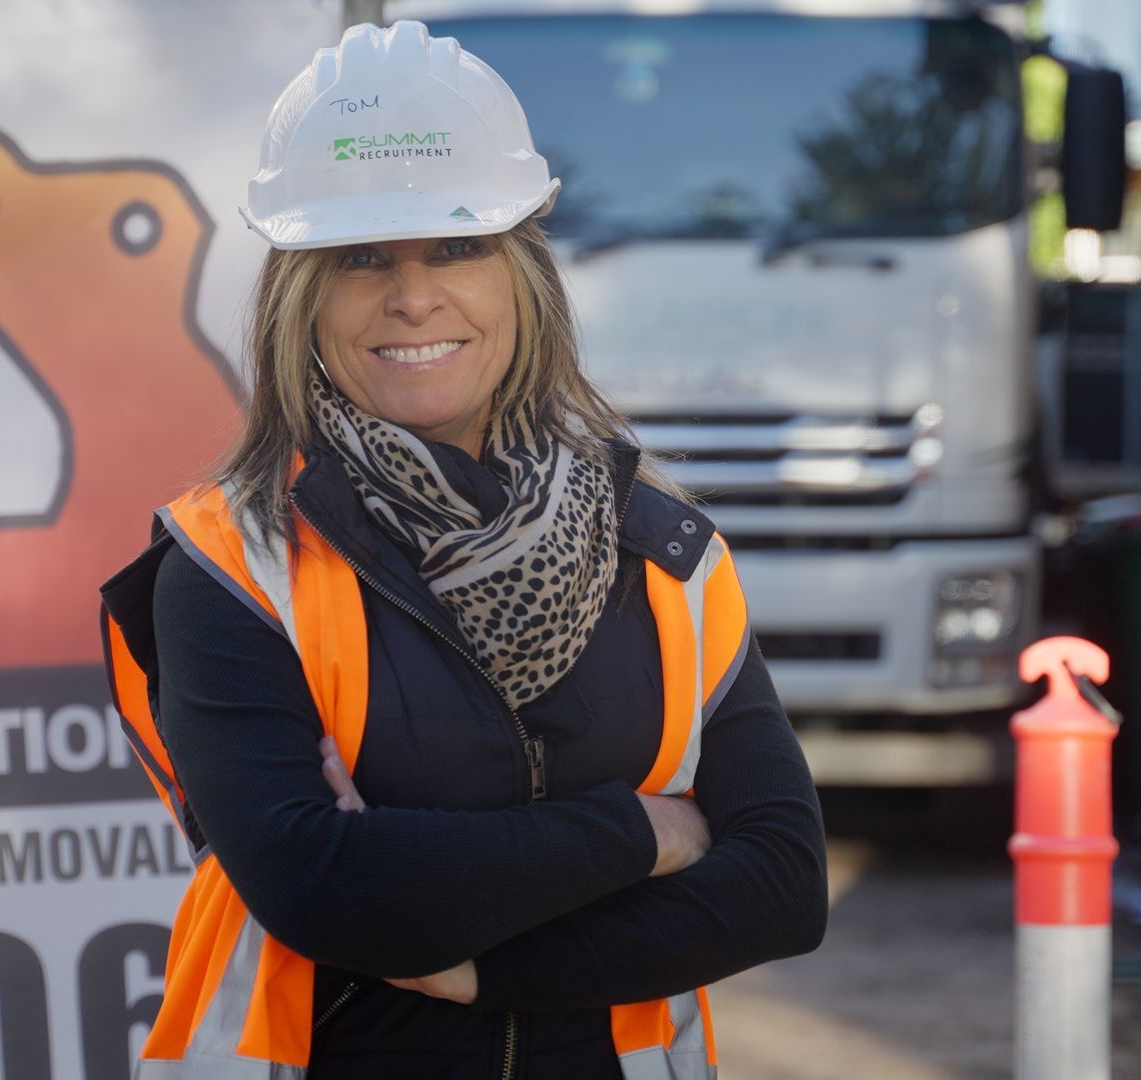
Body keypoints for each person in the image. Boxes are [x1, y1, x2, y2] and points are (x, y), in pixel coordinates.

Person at [99, 21, 827, 1080]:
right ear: (300, 299)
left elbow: (782, 886)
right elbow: (325, 890)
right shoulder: (232, 566)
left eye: (456, 246)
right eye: (361, 259)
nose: (412, 296)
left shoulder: (662, 553)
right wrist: (641, 833)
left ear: (522, 274)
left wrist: (487, 969)